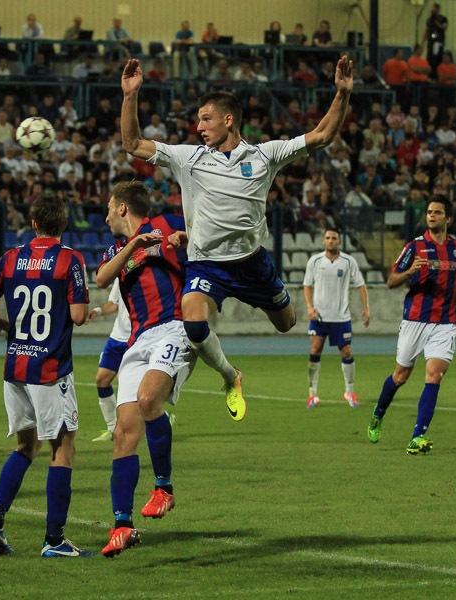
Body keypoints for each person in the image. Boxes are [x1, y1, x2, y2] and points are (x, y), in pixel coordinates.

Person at [119, 54, 354, 422]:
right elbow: (132, 143)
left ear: (229, 120)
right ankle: (231, 375)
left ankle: (269, 303)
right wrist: (130, 95)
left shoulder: (264, 156)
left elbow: (322, 135)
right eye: (198, 119)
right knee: (194, 324)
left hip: (252, 263)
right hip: (207, 266)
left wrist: (341, 93)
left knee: (286, 322)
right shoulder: (189, 158)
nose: (199, 126)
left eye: (206, 118)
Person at [0, 193, 92, 558]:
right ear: (64, 224)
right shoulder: (70, 260)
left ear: (34, 222)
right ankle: (54, 540)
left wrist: (5, 325)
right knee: (63, 448)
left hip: (16, 367)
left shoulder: (10, 259)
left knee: (26, 446)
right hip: (51, 370)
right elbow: (78, 315)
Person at [92, 181, 195, 558]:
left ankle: (163, 488)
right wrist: (136, 244)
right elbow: (102, 278)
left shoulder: (166, 223)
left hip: (175, 325)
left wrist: (186, 239)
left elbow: (201, 240)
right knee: (122, 435)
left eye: (108, 207)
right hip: (136, 341)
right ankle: (123, 525)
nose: (105, 215)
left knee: (150, 399)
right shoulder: (117, 249)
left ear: (122, 208)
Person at [368, 198, 456, 454]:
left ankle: (417, 436)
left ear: (448, 218)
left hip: (445, 323)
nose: (431, 216)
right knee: (400, 376)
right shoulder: (415, 247)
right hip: (415, 321)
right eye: (429, 212)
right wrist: (409, 273)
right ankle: (379, 412)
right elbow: (391, 280)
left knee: (434, 375)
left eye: (437, 213)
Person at [302, 228, 370, 408]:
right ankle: (312, 395)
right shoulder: (315, 261)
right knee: (315, 350)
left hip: (341, 317)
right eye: (327, 238)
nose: (330, 241)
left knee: (346, 351)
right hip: (319, 317)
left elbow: (361, 285)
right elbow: (307, 285)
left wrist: (366, 308)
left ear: (339, 241)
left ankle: (350, 391)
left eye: (334, 238)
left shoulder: (348, 262)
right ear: (323, 241)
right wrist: (309, 306)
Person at [85, 279, 130, 442]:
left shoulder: (149, 274)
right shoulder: (121, 273)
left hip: (137, 337)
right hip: (117, 337)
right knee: (102, 380)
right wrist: (97, 310)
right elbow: (114, 303)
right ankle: (112, 428)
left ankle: (160, 417)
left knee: (126, 384)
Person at [424, 2, 448, 68]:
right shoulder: (429, 20)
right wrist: (423, 41)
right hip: (431, 42)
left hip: (439, 41)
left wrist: (437, 23)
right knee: (430, 57)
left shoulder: (443, 18)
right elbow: (427, 30)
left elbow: (444, 27)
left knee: (438, 58)